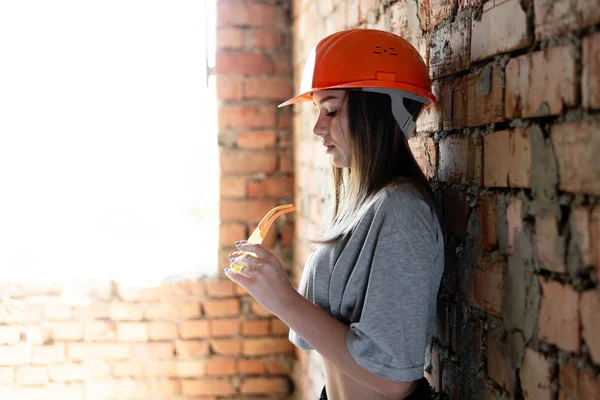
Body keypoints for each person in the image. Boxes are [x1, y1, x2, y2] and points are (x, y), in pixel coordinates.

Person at [226, 29, 444, 400]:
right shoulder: (361, 203)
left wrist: (282, 298)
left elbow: (394, 382)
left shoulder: (402, 212)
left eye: (331, 109)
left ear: (377, 111)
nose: (317, 127)